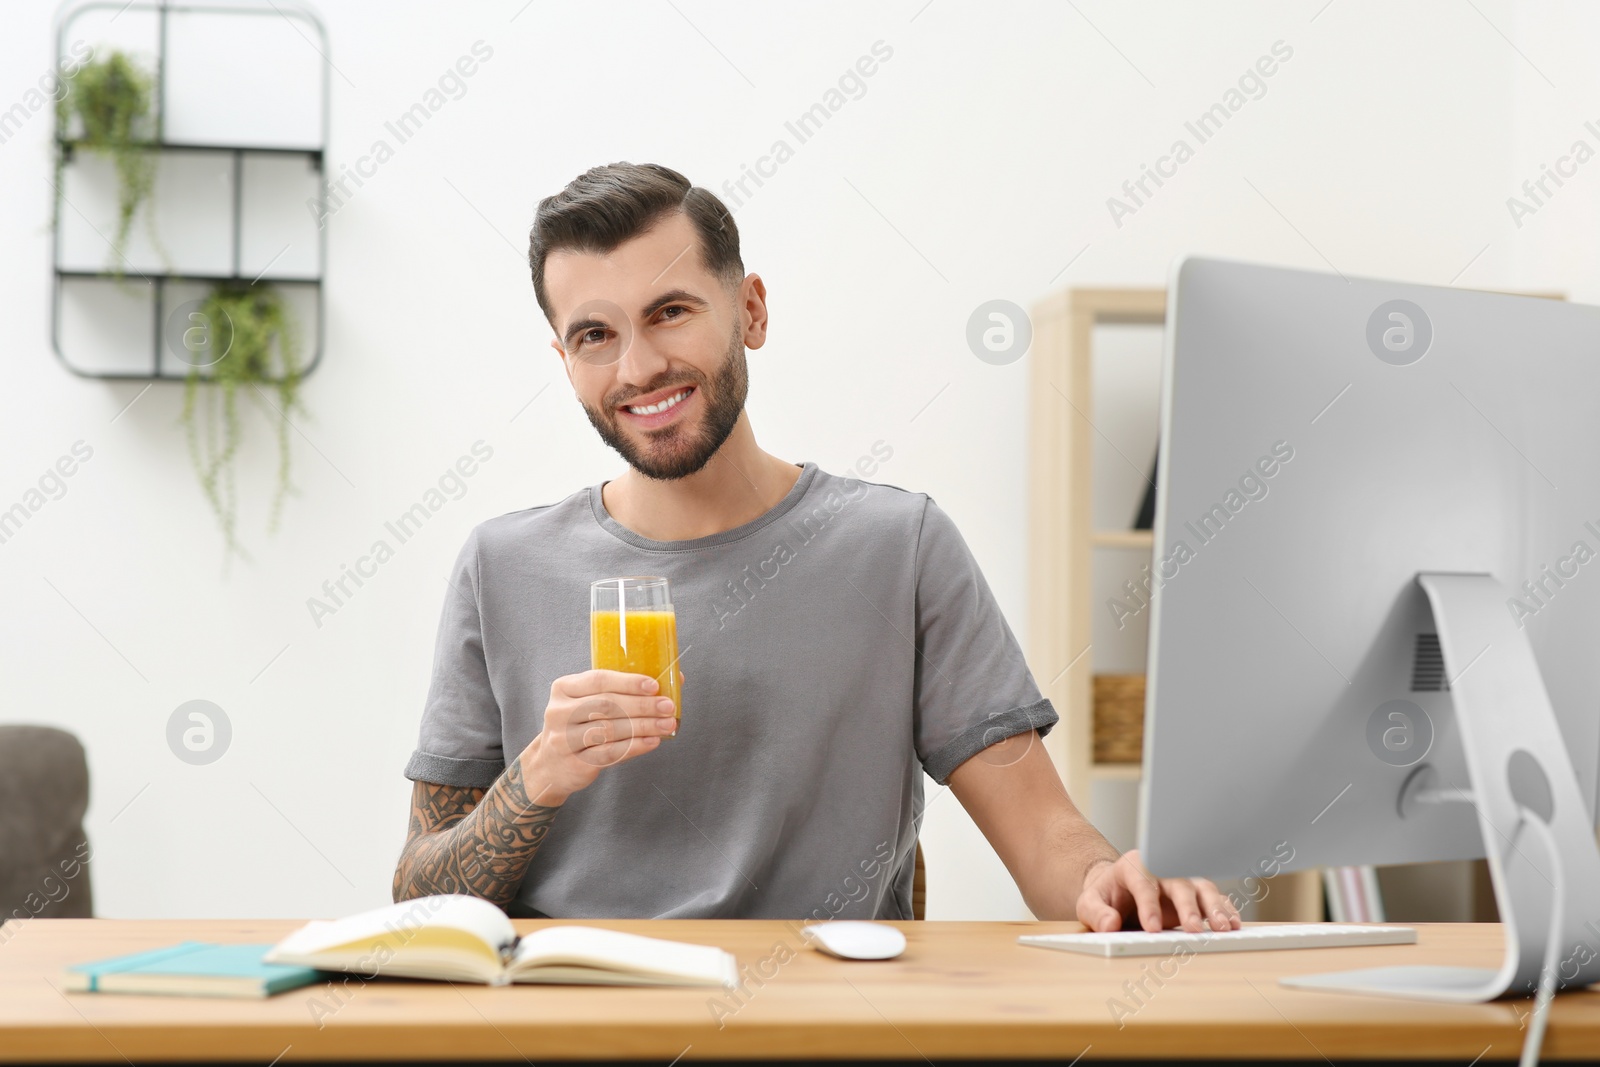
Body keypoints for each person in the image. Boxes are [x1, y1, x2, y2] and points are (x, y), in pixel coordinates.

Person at [392, 162, 1240, 933]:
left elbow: (1044, 833)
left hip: (824, 1022)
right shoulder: (501, 567)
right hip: (575, 1027)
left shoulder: (899, 548)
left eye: (670, 312)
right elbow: (420, 899)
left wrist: (1108, 879)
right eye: (595, 335)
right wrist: (536, 777)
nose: (638, 366)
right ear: (565, 357)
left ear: (750, 309)